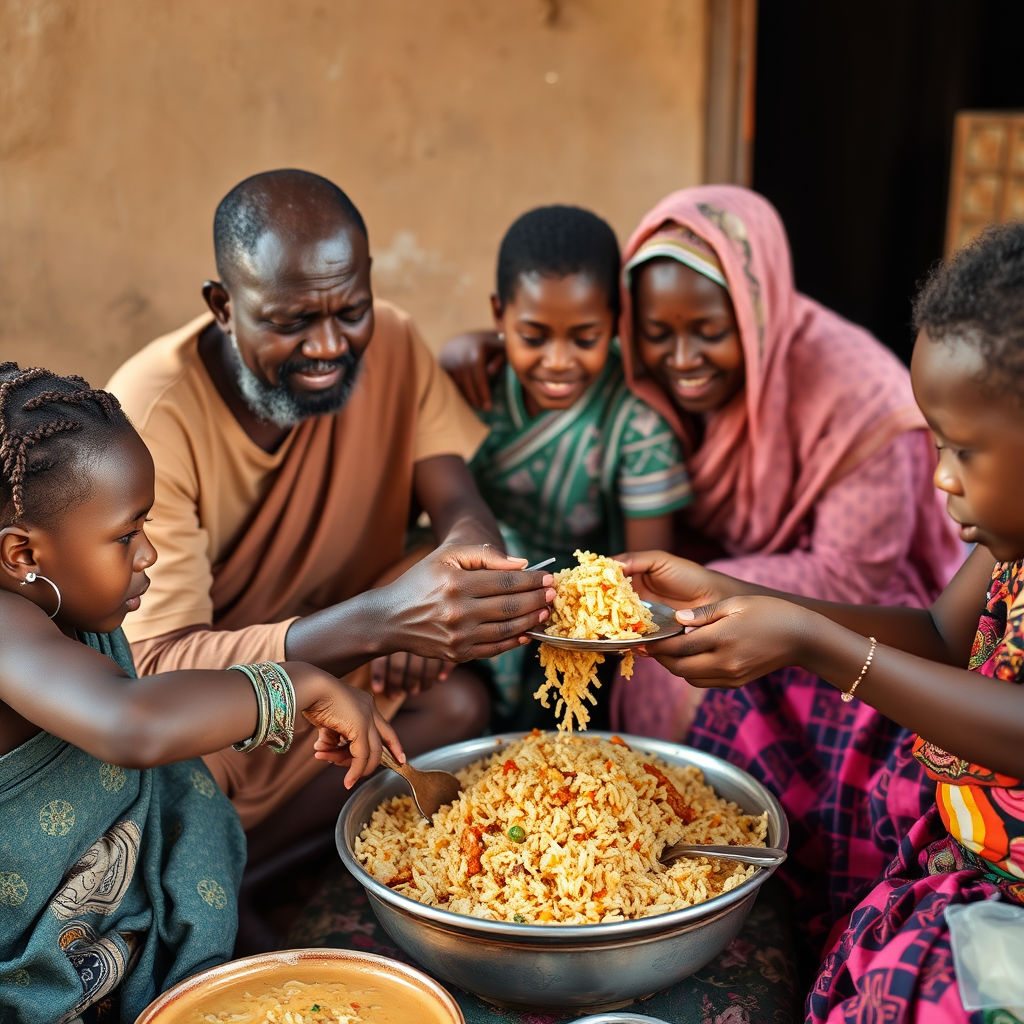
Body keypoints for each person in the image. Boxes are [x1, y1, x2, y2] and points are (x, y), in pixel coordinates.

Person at [441, 186, 963, 950]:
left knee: (724, 693)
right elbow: (556, 345)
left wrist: (713, 599)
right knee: (654, 665)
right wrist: (470, 346)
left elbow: (853, 581)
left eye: (709, 333)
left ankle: (785, 893)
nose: (680, 360)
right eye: (656, 334)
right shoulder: (629, 377)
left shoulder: (860, 402)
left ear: (757, 318)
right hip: (720, 592)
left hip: (866, 610)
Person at [624, 222, 1024, 1024]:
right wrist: (726, 588)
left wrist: (817, 644)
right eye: (937, 441)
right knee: (756, 700)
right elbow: (944, 636)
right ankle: (776, 923)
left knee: (917, 996)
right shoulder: (1007, 538)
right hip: (964, 807)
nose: (941, 477)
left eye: (964, 450)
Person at [105, 170, 554, 863]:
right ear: (223, 305)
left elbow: (462, 509)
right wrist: (384, 620)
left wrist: (442, 578)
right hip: (225, 706)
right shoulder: (151, 415)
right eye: (291, 323)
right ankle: (228, 879)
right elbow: (159, 669)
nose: (327, 347)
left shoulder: (395, 345)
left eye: (351, 311)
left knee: (456, 710)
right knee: (171, 789)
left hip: (338, 669)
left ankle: (261, 875)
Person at [0, 364, 402, 1023]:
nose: (149, 554)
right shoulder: (5, 627)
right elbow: (132, 724)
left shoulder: (67, 615)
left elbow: (155, 703)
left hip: (103, 938)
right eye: (126, 536)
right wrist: (295, 684)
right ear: (23, 555)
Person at [440, 205, 692, 725]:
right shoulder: (473, 390)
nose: (557, 361)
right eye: (533, 337)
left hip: (582, 631)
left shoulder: (637, 427)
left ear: (615, 325)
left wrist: (572, 607)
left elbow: (642, 578)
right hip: (476, 611)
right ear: (498, 316)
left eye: (584, 338)